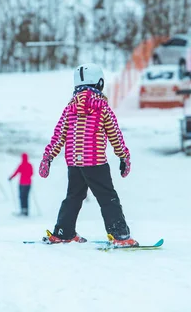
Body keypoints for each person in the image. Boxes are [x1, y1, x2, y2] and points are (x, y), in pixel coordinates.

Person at [39, 63, 137, 247]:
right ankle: (120, 235)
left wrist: (48, 157)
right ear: (99, 83)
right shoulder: (102, 107)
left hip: (74, 162)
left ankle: (63, 232)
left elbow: (59, 134)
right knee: (108, 197)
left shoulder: (70, 108)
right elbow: (114, 134)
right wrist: (123, 156)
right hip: (95, 161)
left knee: (74, 196)